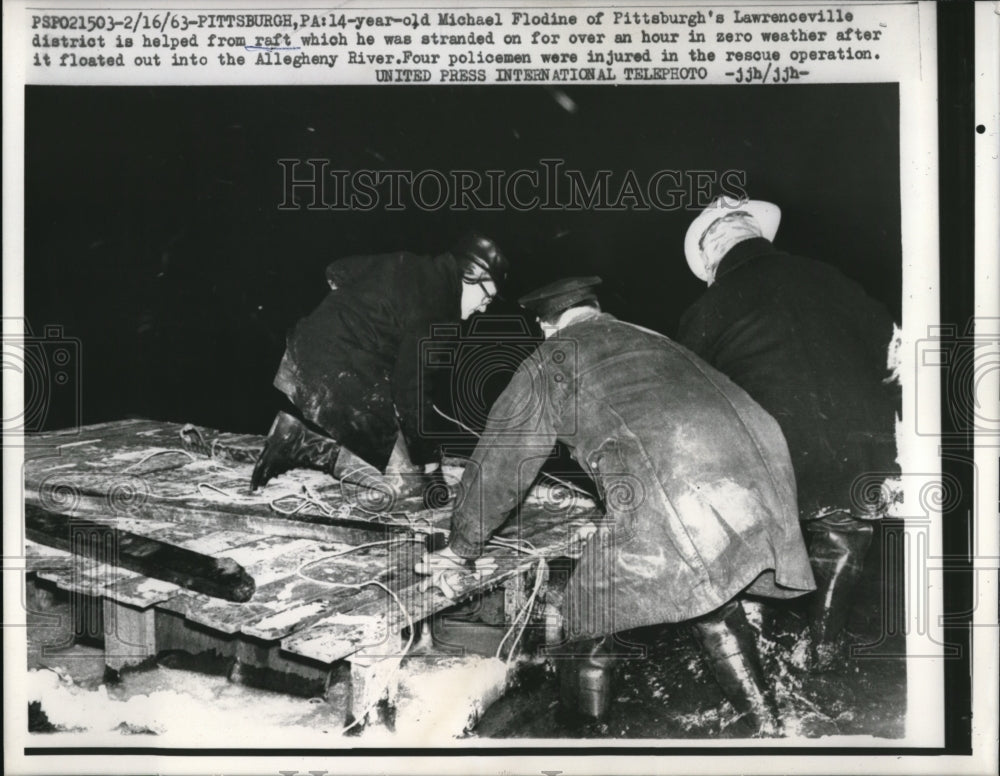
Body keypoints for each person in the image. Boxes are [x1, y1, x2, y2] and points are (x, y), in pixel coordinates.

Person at [417, 277, 815, 736]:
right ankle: (771, 727)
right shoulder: (648, 336)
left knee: (587, 612)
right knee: (711, 594)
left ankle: (580, 741)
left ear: (546, 326)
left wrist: (462, 545)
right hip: (759, 459)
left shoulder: (553, 355)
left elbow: (502, 459)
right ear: (595, 309)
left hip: (679, 478)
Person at [677, 196, 901, 670]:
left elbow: (690, 398)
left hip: (769, 446)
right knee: (842, 531)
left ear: (712, 254)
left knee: (749, 541)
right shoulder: (831, 277)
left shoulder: (707, 306)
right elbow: (892, 344)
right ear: (756, 235)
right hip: (856, 440)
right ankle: (824, 646)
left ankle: (757, 657)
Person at [250, 232, 509, 500]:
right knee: (405, 483)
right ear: (472, 274)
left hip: (303, 345)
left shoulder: (410, 262)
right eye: (487, 298)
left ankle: (328, 434)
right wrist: (433, 470)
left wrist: (355, 316)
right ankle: (300, 444)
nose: (483, 309)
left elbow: (337, 270)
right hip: (333, 371)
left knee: (390, 431)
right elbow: (412, 391)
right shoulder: (440, 310)